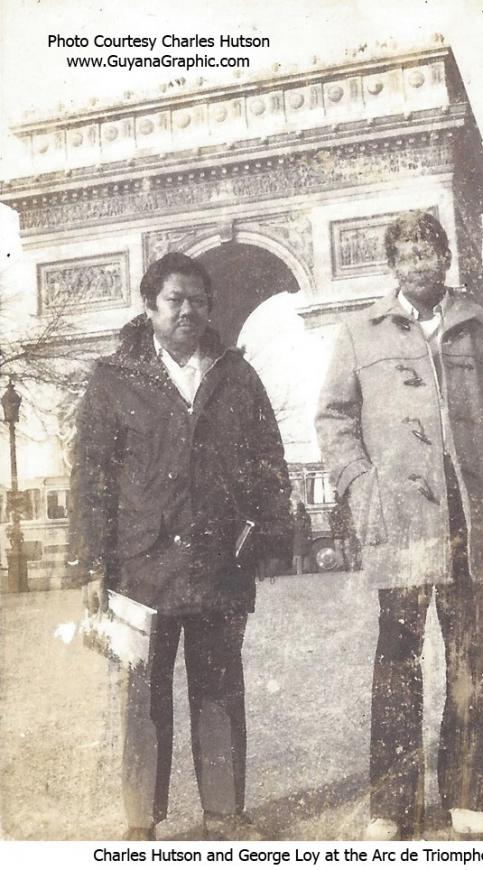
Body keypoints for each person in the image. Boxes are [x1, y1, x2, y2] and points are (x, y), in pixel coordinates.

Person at [315, 211, 483, 839]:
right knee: (397, 661)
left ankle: (466, 792)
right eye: (406, 255)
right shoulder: (358, 333)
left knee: (473, 658)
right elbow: (333, 419)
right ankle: (392, 805)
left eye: (428, 252)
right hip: (401, 521)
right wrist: (360, 486)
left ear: (446, 258)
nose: (418, 263)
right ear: (392, 265)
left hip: (473, 517)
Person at [69, 252, 291, 840]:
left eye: (198, 300)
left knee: (219, 692)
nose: (188, 310)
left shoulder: (237, 375)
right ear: (149, 306)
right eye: (175, 300)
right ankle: (141, 822)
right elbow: (90, 475)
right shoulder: (113, 379)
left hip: (219, 562)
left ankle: (224, 813)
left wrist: (267, 533)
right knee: (142, 698)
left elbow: (269, 458)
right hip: (139, 566)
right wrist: (90, 563)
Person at [292, 501, 312, 575]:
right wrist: (309, 535)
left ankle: (299, 570)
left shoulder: (295, 517)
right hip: (304, 536)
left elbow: (293, 527)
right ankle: (306, 569)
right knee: (306, 554)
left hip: (297, 537)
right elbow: (308, 527)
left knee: (298, 555)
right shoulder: (306, 516)